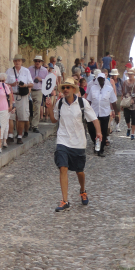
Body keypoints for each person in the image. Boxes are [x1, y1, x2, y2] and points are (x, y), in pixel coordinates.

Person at [46, 78, 101, 212]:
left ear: (73, 89)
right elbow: (54, 120)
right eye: (64, 87)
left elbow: (94, 119)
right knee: (63, 167)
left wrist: (99, 132)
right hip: (63, 140)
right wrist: (49, 108)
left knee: (79, 171)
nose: (65, 89)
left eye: (68, 87)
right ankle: (65, 200)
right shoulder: (59, 103)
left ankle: (82, 190)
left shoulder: (83, 103)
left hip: (78, 142)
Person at [86, 73, 117, 157]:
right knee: (91, 129)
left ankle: (101, 149)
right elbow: (88, 100)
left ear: (104, 79)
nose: (100, 80)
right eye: (99, 79)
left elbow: (113, 101)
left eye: (102, 79)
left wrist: (116, 113)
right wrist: (85, 110)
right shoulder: (93, 88)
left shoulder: (109, 89)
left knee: (103, 131)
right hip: (94, 112)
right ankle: (95, 143)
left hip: (104, 112)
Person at [6, 54, 33, 144]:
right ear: (14, 62)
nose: (17, 62)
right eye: (16, 61)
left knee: (21, 116)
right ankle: (10, 135)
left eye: (19, 61)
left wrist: (24, 85)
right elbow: (4, 84)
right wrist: (12, 84)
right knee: (10, 116)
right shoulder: (9, 71)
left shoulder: (26, 71)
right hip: (12, 95)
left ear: (21, 62)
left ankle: (19, 136)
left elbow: (31, 84)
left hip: (22, 95)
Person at [29, 56, 49, 132]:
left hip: (39, 90)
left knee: (37, 108)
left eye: (39, 61)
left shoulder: (44, 70)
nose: (37, 62)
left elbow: (47, 81)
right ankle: (29, 123)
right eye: (36, 61)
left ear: (41, 62)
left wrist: (41, 79)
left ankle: (35, 125)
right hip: (30, 90)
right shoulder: (29, 69)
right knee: (29, 108)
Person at [121, 68, 135, 139]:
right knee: (126, 117)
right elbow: (123, 92)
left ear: (134, 75)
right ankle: (128, 128)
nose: (130, 75)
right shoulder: (125, 82)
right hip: (126, 102)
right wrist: (122, 103)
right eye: (129, 74)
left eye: (131, 74)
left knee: (134, 118)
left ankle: (132, 133)